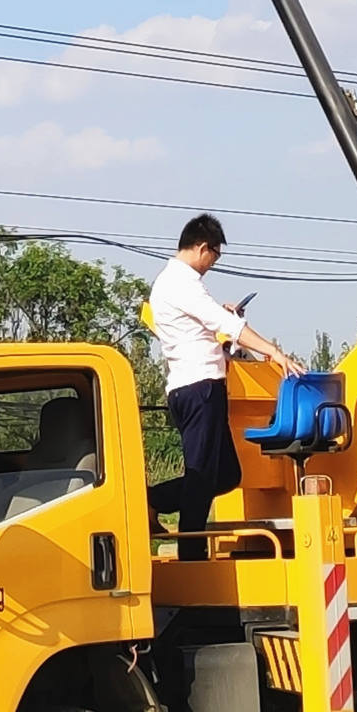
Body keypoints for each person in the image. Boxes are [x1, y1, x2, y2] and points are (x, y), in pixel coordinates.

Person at [148, 214, 301, 561]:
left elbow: (206, 331)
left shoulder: (174, 285)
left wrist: (224, 323)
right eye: (215, 257)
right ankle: (192, 556)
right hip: (198, 387)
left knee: (227, 475)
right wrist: (273, 351)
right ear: (203, 248)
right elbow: (225, 325)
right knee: (201, 476)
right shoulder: (181, 282)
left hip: (201, 385)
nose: (212, 265)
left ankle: (154, 499)